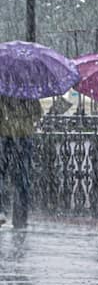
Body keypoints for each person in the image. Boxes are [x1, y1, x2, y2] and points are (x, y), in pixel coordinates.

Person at [0, 96, 42, 229]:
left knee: (4, 175)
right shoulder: (28, 92)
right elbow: (37, 114)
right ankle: (20, 218)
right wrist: (24, 120)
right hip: (23, 135)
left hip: (5, 134)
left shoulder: (3, 91)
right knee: (22, 178)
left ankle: (2, 212)